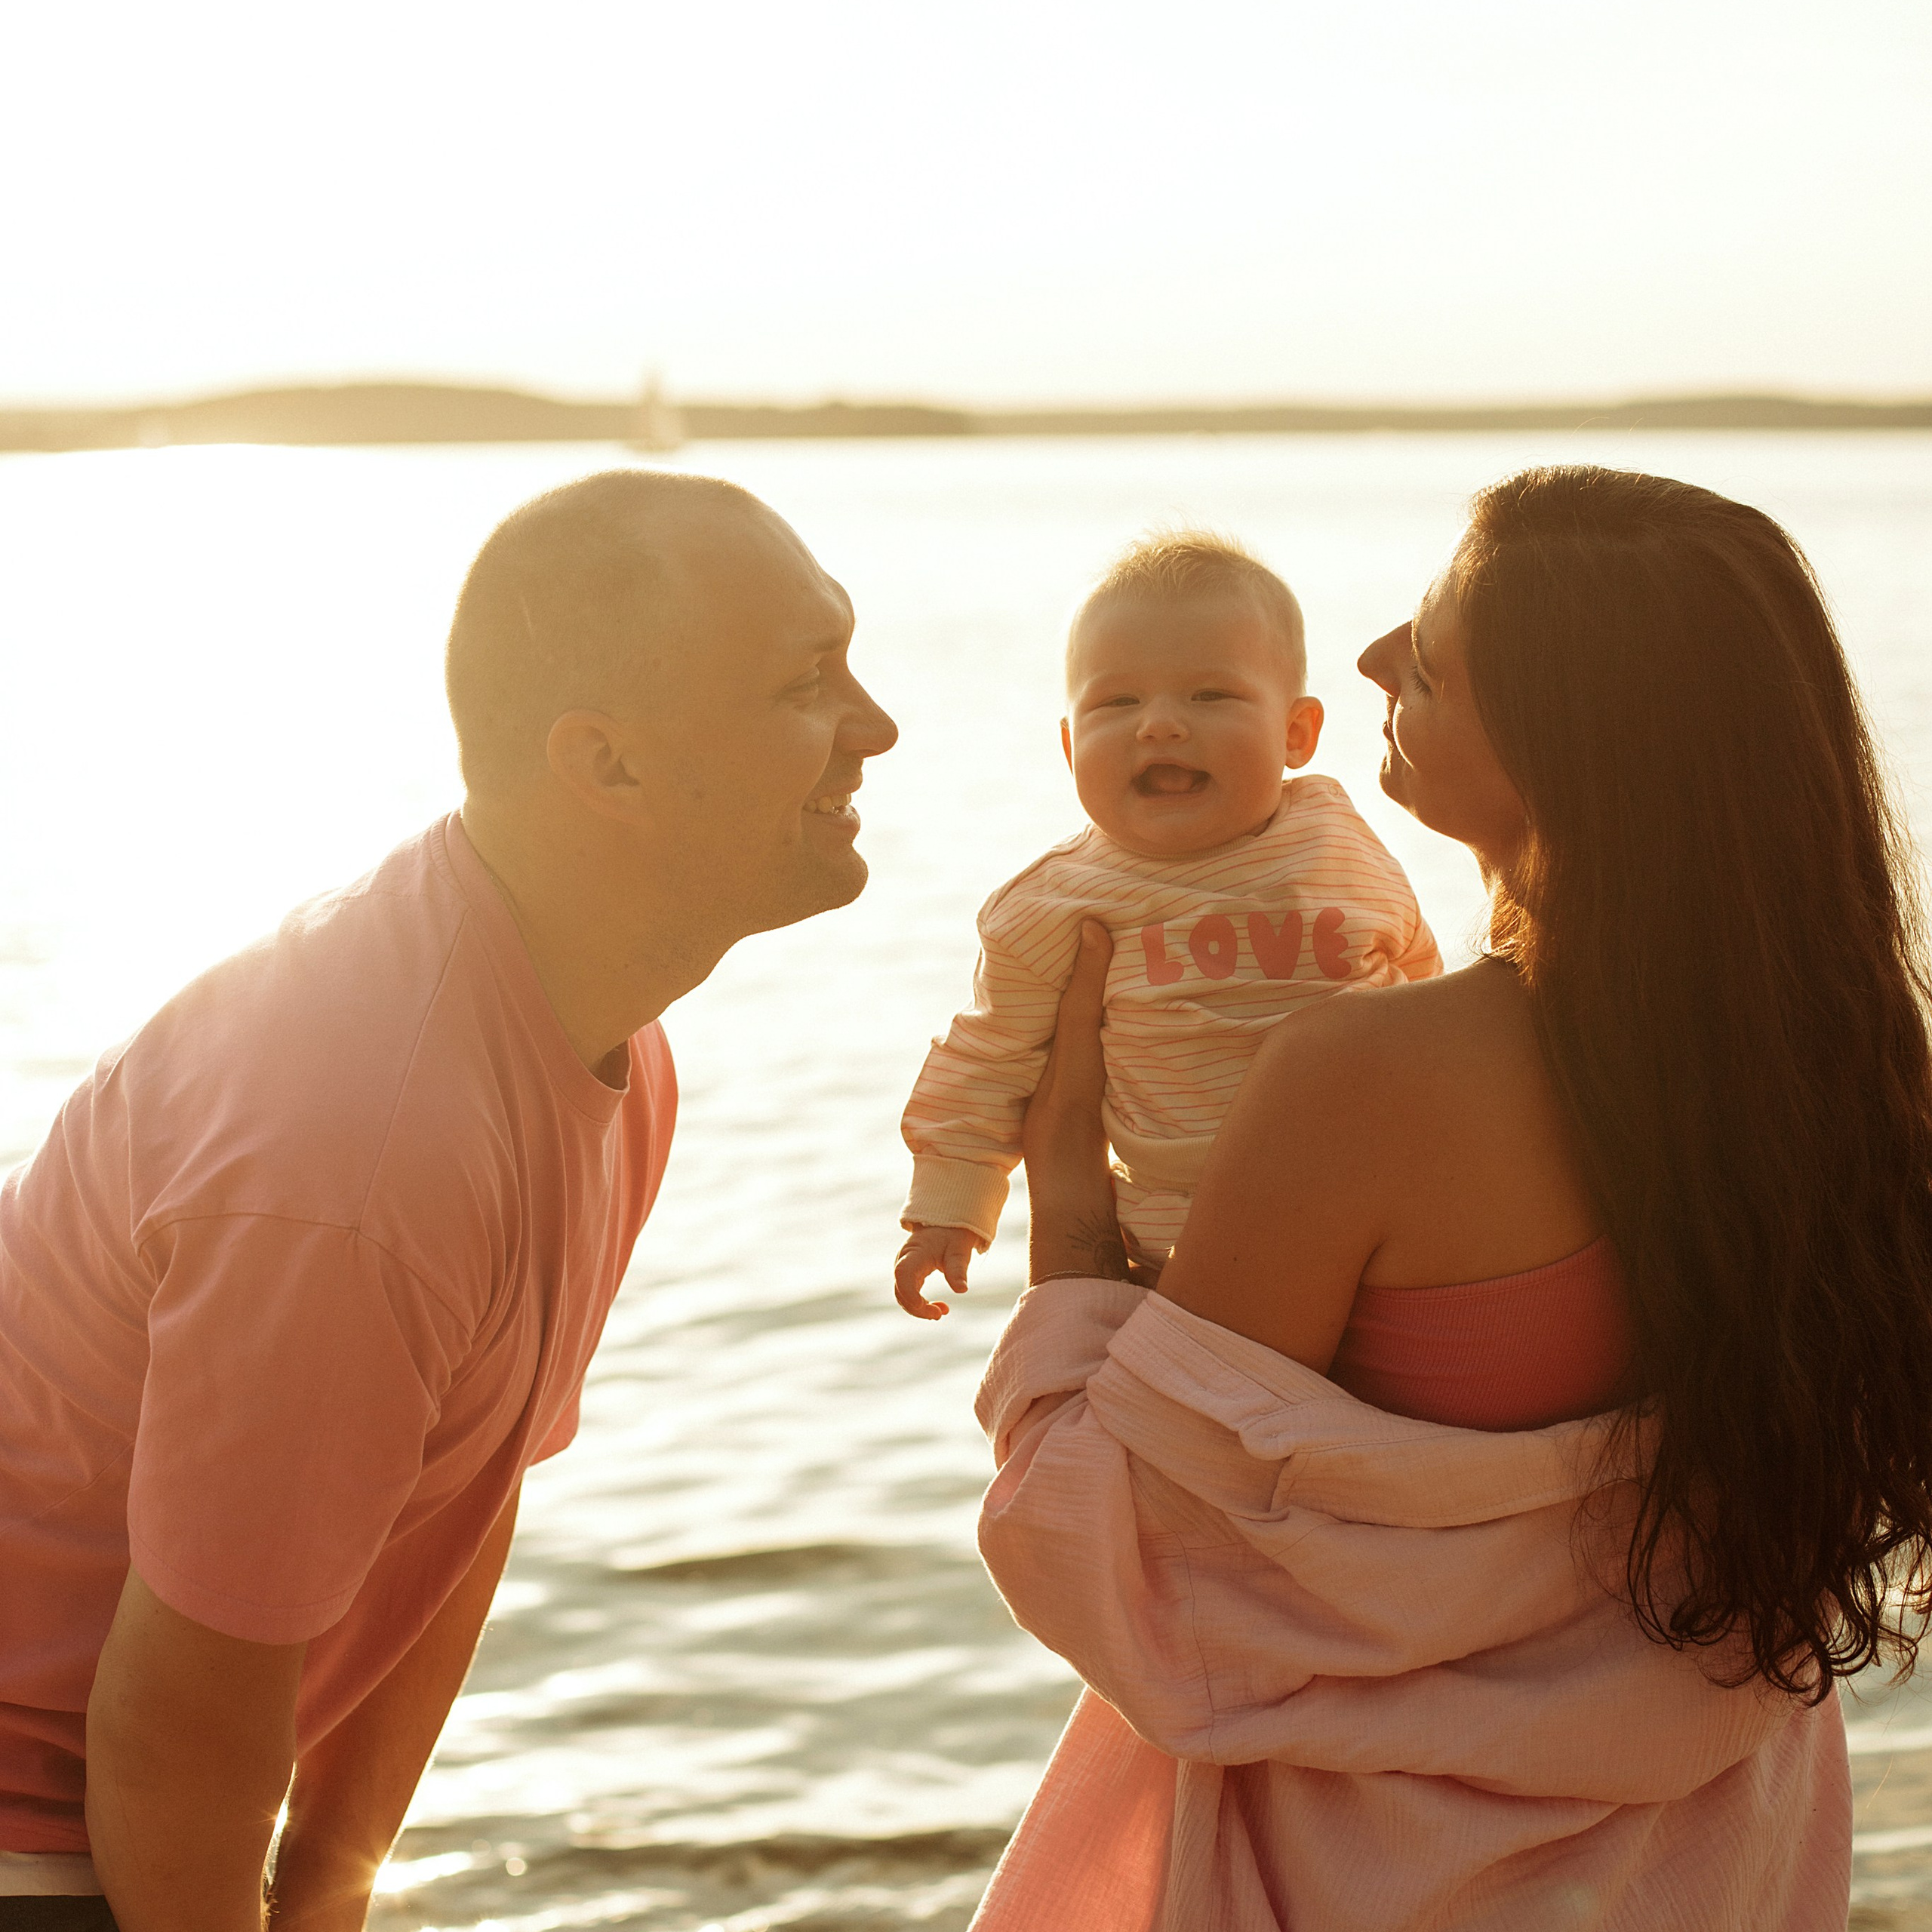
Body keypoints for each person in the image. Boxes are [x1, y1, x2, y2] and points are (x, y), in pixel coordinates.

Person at [970, 465, 1932, 1930]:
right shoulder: (1841, 1080)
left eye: (1423, 657)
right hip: (1710, 1846)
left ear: (1568, 736)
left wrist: (1067, 1232)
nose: (1363, 664)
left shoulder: (1363, 1076)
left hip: (1387, 1863)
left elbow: (1122, 1567)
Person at [0, 469, 897, 1930]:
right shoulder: (363, 1149)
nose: (877, 727)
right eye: (810, 682)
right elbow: (170, 1746)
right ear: (601, 766)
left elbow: (458, 1514)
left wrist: (336, 1888)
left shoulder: (607, 1042)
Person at [894, 534, 1438, 1318]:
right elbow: (988, 1057)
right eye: (1116, 703)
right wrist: (949, 1206)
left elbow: (1414, 968)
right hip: (1184, 1246)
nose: (1158, 725)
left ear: (1297, 733)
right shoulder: (1055, 901)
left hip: (1390, 1203)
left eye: (1209, 696)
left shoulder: (1334, 837)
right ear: (1068, 743)